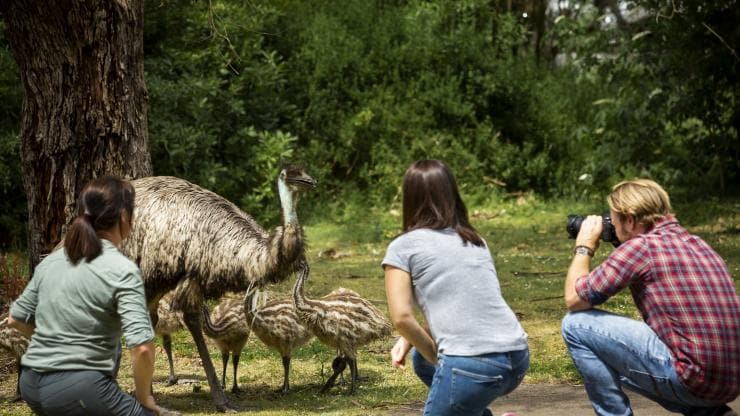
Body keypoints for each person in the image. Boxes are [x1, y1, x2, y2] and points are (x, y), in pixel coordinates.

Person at [562, 178, 739, 416]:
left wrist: (584, 247)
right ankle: (711, 413)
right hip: (729, 383)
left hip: (694, 381)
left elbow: (575, 298)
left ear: (631, 220)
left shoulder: (641, 248)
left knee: (575, 325)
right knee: (610, 356)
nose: (611, 227)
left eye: (613, 221)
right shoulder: (698, 244)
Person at [7, 176, 165, 416]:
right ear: (124, 217)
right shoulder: (122, 270)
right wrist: (144, 398)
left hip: (30, 383)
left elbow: (15, 321)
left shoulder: (52, 261)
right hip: (79, 389)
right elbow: (142, 349)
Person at [382, 159, 529, 416]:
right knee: (420, 359)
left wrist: (441, 359)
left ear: (410, 198)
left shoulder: (403, 247)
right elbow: (463, 305)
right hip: (517, 358)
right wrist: (411, 342)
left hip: (473, 367)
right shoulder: (474, 240)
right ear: (452, 193)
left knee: (429, 358)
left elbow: (401, 317)